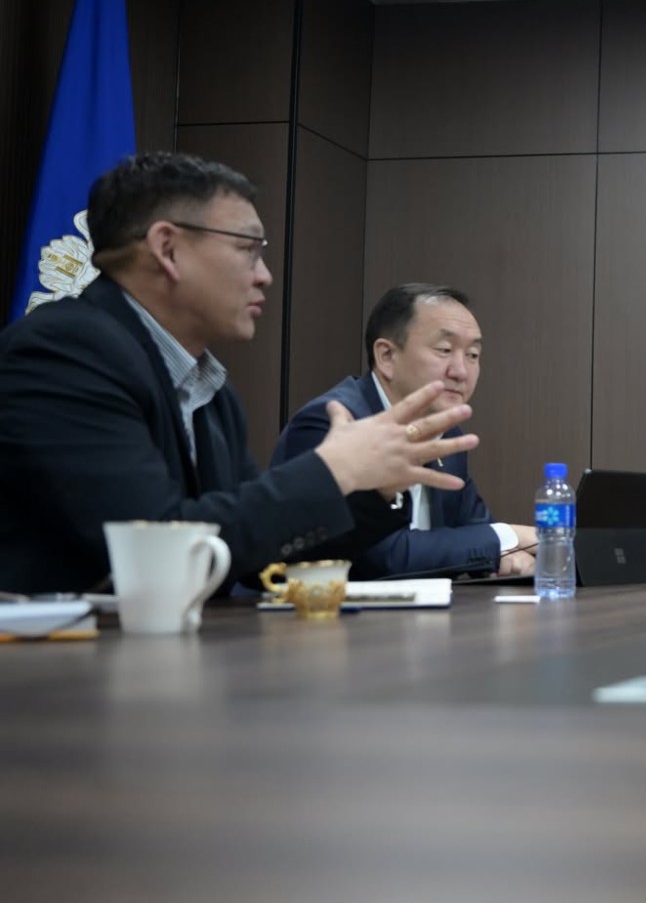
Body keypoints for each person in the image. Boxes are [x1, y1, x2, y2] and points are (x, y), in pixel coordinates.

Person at [0, 152, 476, 595]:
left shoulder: (213, 389)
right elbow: (152, 550)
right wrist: (333, 470)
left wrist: (375, 490)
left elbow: (256, 553)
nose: (264, 274)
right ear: (168, 248)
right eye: (248, 249)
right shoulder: (65, 352)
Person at [273, 284, 536, 579]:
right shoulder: (332, 423)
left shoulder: (447, 434)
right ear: (387, 356)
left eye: (473, 355)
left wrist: (512, 551)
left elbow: (475, 532)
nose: (461, 371)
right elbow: (378, 558)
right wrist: (506, 537)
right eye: (445, 350)